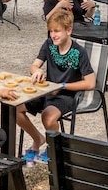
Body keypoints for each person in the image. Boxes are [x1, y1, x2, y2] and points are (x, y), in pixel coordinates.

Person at [19, 9, 95, 165]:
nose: (53, 35)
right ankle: (37, 139)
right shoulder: (48, 45)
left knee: (47, 116)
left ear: (69, 30)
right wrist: (37, 70)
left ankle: (53, 148)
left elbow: (90, 83)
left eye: (57, 31)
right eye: (51, 31)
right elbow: (34, 65)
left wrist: (63, 86)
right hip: (47, 91)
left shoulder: (78, 52)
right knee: (15, 107)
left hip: (66, 95)